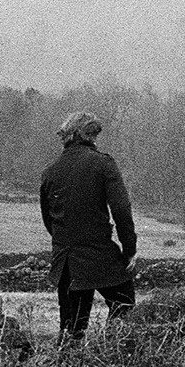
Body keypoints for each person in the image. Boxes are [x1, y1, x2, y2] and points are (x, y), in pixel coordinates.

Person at [39, 110, 138, 339]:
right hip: (99, 253)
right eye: (94, 134)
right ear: (90, 135)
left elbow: (48, 219)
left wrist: (65, 241)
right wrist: (129, 249)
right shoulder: (103, 164)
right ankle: (113, 351)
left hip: (65, 259)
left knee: (72, 328)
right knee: (124, 304)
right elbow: (121, 210)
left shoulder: (50, 171)